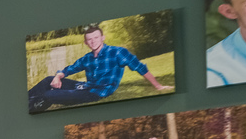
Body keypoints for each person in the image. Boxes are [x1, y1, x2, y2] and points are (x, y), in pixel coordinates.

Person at [28, 24, 171, 112]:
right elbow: (69, 69)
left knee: (49, 95)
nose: (93, 41)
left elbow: (140, 67)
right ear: (85, 42)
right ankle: (24, 102)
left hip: (96, 93)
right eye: (89, 39)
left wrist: (158, 86)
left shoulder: (117, 52)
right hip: (84, 86)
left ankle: (29, 108)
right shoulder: (87, 58)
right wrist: (58, 76)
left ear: (103, 38)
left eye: (96, 38)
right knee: (48, 80)